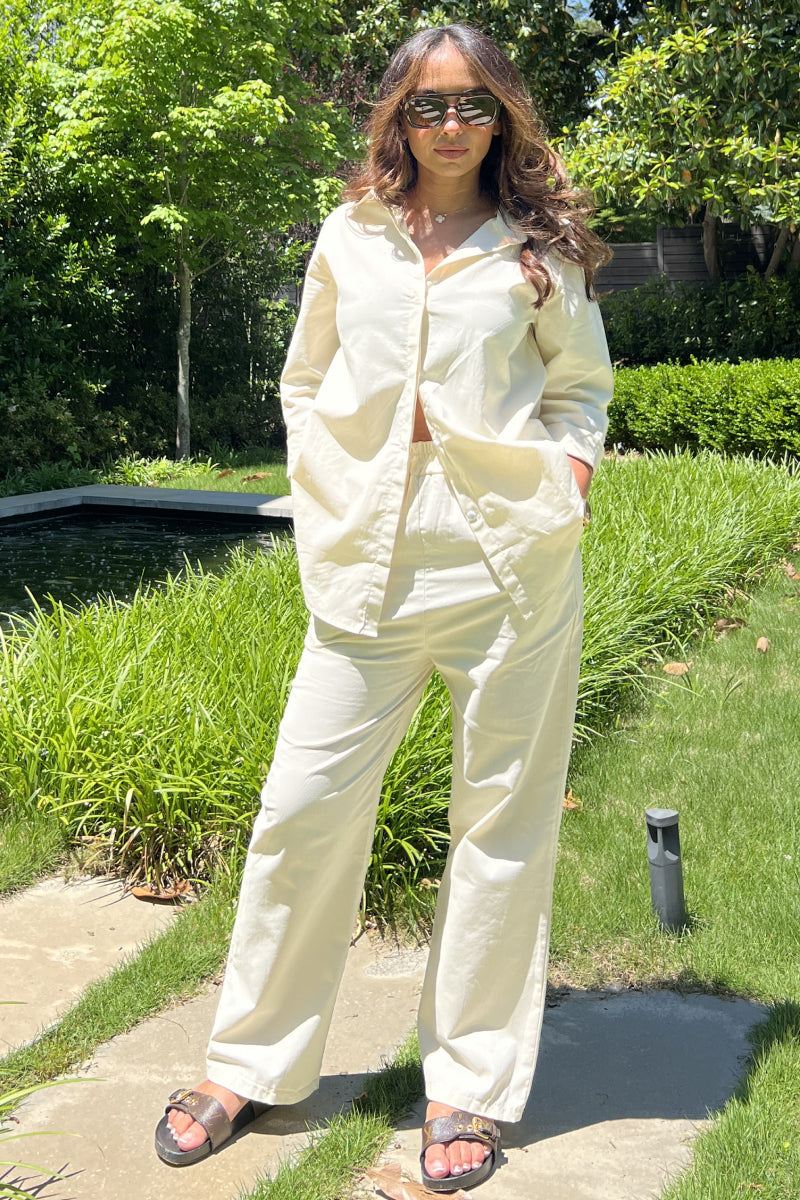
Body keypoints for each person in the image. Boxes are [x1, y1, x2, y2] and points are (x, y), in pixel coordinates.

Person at [154, 20, 614, 1193]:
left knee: (499, 830)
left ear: (501, 115)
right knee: (300, 812)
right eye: (427, 104)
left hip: (507, 570)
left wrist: (563, 482)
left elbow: (579, 389)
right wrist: (326, 484)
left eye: (472, 104)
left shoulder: (535, 249)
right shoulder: (349, 235)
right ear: (396, 115)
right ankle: (252, 1063)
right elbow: (305, 379)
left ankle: (464, 1086)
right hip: (365, 568)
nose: (450, 125)